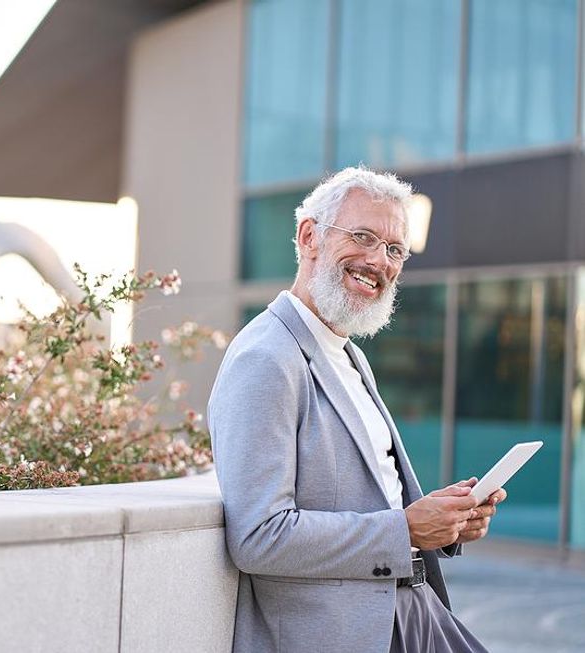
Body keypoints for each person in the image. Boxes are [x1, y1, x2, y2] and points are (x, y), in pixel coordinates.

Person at [207, 167, 506, 652]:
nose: (378, 261)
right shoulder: (265, 359)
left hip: (412, 608)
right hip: (341, 632)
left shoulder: (347, 353)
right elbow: (258, 536)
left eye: (394, 250)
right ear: (310, 237)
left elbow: (364, 493)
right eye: (363, 237)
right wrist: (406, 527)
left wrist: (443, 522)